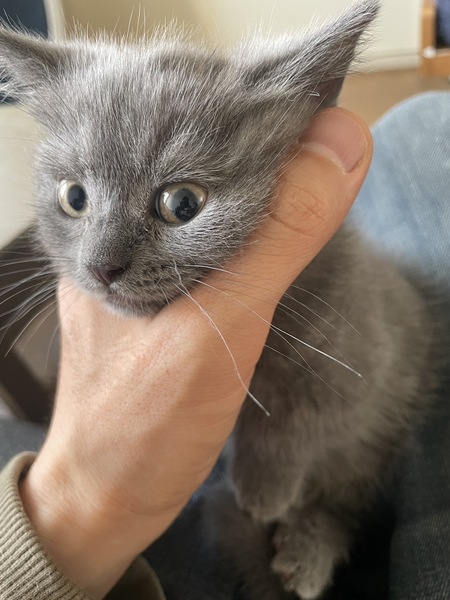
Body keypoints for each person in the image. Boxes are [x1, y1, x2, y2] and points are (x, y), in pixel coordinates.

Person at [0, 92, 449, 600]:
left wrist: (268, 454)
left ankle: (332, 518)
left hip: (382, 408)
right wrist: (82, 495)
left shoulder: (327, 285)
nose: (99, 259)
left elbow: (352, 381)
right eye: (76, 198)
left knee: (420, 124)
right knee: (420, 123)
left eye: (180, 203)